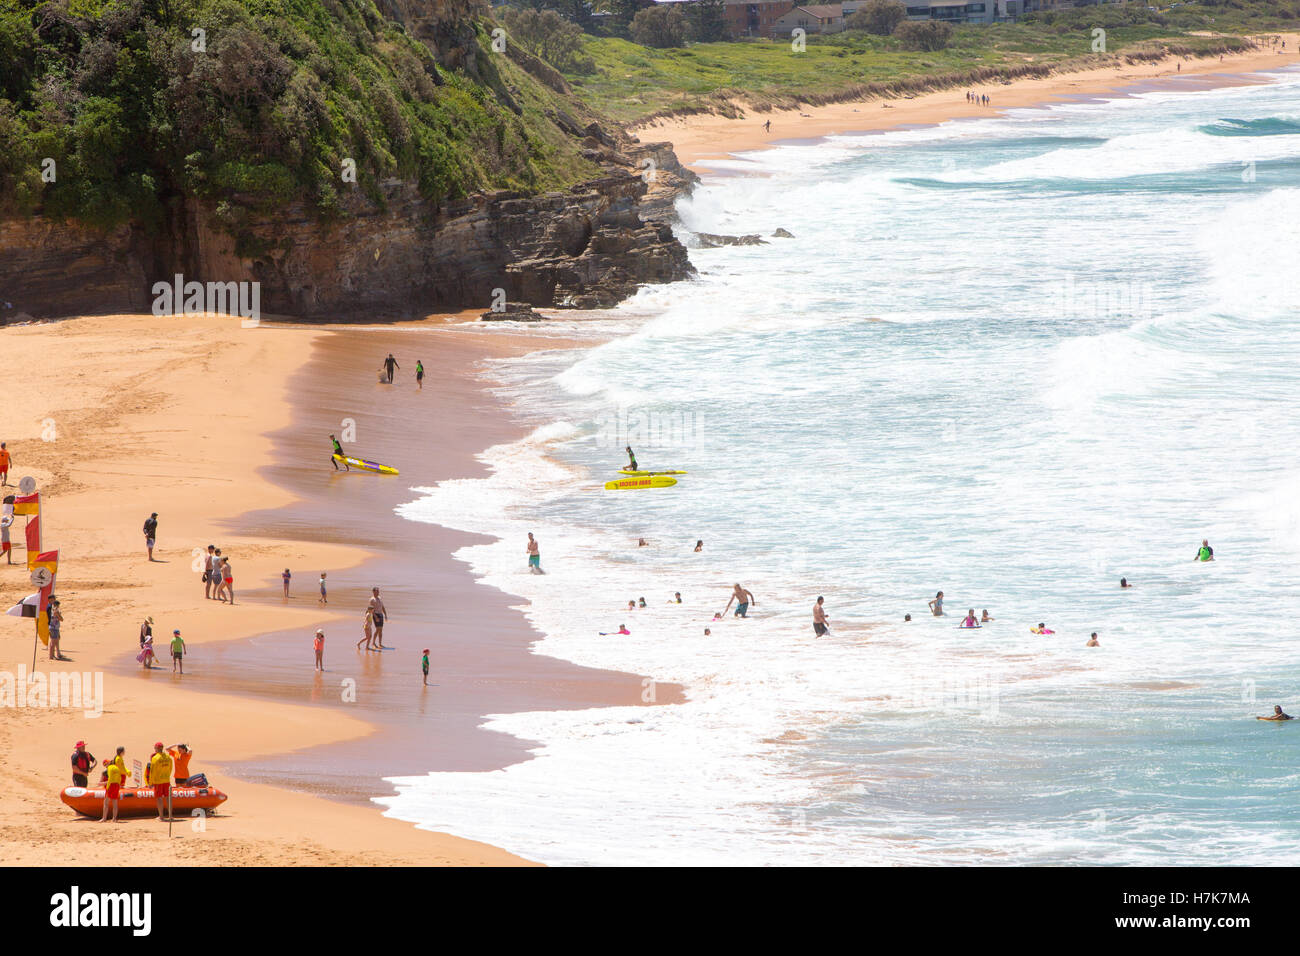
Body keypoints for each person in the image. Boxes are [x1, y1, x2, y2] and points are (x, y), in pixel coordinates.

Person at [149, 743, 173, 820]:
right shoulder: (168, 757)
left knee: (159, 798)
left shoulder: (155, 758)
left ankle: (161, 816)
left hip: (158, 781)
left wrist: (150, 782)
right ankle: (170, 816)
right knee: (168, 798)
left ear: (156, 748)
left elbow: (152, 771)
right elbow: (170, 768)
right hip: (166, 780)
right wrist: (167, 776)